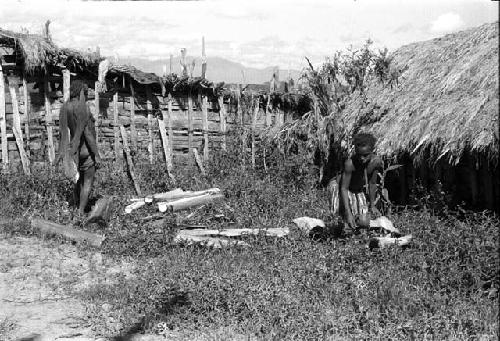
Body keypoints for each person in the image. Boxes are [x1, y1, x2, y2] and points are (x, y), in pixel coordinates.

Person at [55, 80, 100, 215]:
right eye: (85, 93)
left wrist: (60, 153)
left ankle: (75, 207)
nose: (85, 96)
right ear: (81, 92)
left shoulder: (65, 107)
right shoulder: (83, 108)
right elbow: (87, 134)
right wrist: (96, 154)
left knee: (78, 180)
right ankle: (80, 212)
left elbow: (62, 133)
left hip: (74, 151)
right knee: (87, 182)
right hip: (86, 151)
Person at [329, 133, 383, 234]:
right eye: (359, 155)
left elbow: (372, 184)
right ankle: (337, 237)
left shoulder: (376, 162)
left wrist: (372, 205)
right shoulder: (350, 164)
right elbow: (344, 188)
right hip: (340, 187)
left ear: (372, 152)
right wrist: (348, 213)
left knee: (363, 220)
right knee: (341, 218)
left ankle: (356, 237)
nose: (362, 159)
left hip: (357, 189)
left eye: (365, 155)